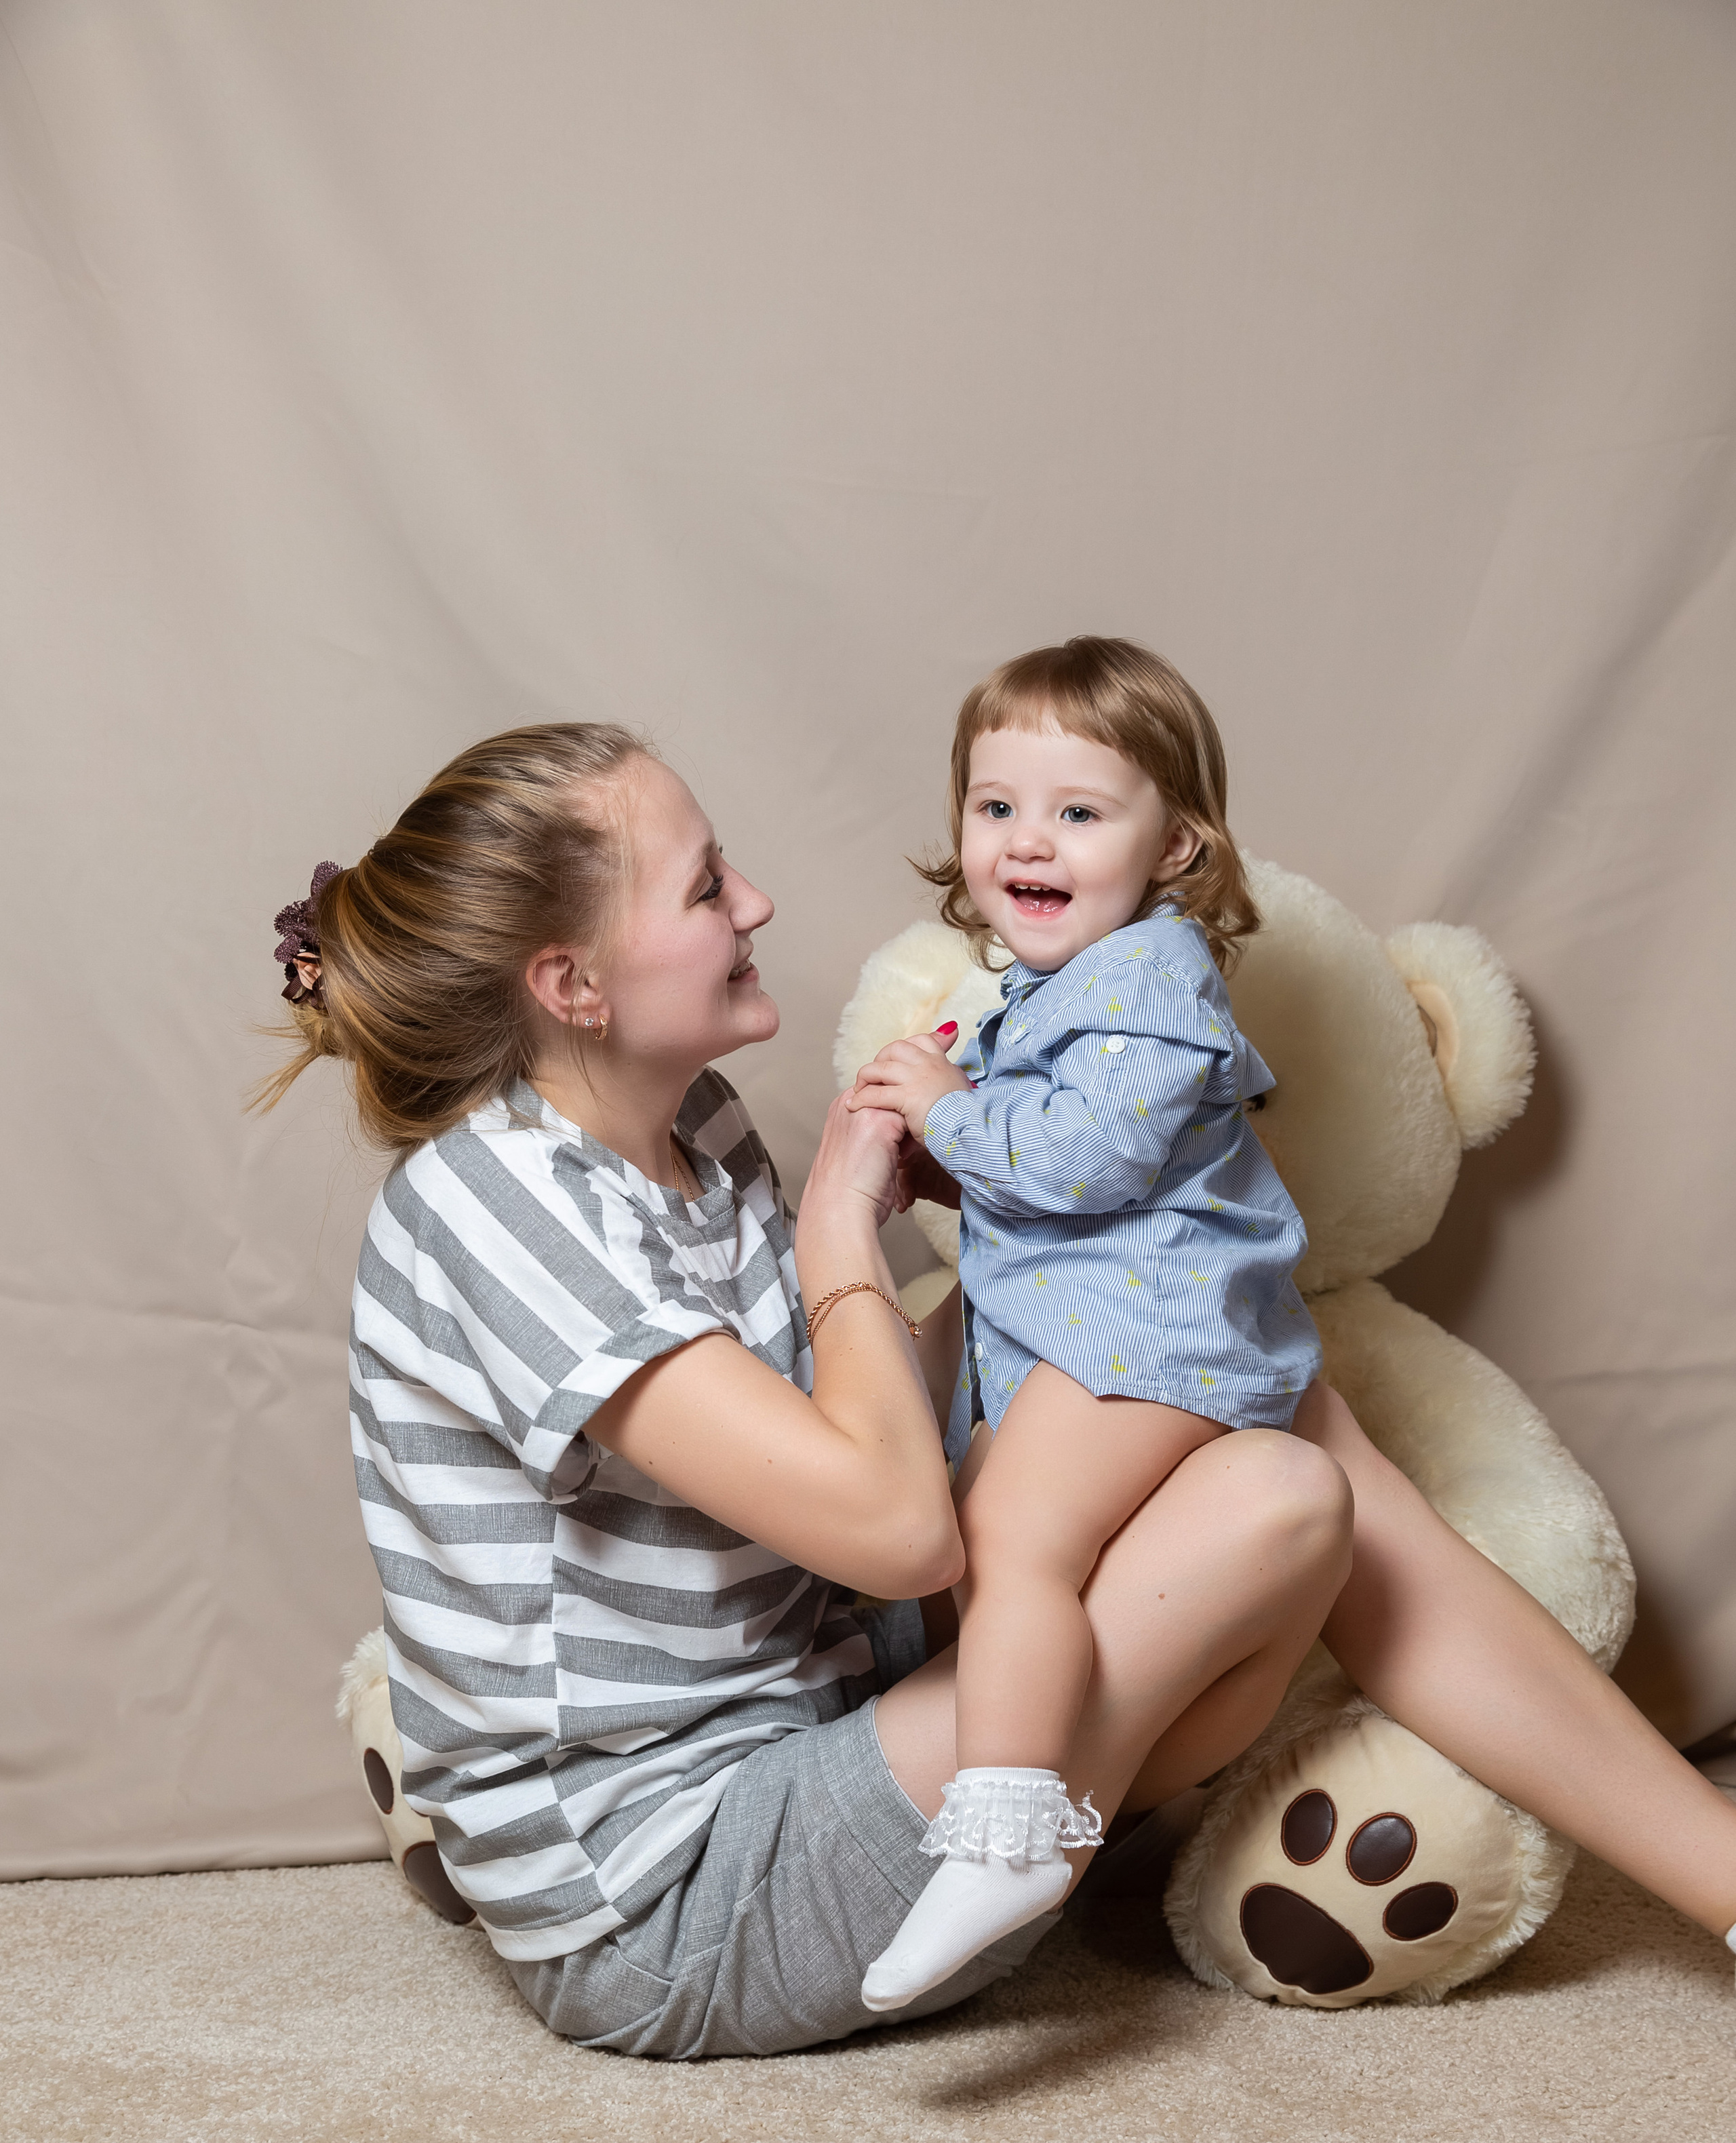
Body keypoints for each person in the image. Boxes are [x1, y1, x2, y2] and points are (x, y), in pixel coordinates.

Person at [259, 711, 1736, 2060]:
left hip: (830, 1671)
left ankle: (1720, 1881)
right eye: (708, 890)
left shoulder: (689, 1128)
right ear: (570, 984)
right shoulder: (491, 1208)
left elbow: (841, 1448)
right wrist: (841, 1228)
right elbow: (898, 1529)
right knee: (1277, 1493)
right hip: (678, 1898)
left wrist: (1037, 1215)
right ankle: (996, 1828)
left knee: (1206, 1332)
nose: (756, 905)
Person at [848, 640, 1323, 2011]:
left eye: (1076, 811)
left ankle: (1007, 1826)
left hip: (1153, 1332)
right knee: (984, 1519)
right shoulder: (1061, 985)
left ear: (1174, 843)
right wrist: (961, 1150)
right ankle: (1054, 1799)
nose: (1024, 842)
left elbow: (1085, 1166)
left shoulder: (1151, 979)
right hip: (1102, 1325)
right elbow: (1055, 1162)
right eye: (995, 808)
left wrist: (946, 1108)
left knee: (1015, 1538)